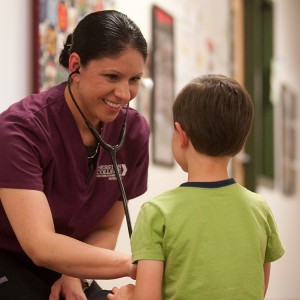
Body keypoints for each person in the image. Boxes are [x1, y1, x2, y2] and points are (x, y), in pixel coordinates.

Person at [0, 10, 149, 300]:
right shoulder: (20, 130)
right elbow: (39, 245)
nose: (123, 93)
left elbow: (107, 227)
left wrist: (75, 274)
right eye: (111, 76)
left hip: (71, 263)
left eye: (134, 79)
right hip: (10, 258)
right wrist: (136, 266)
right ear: (76, 65)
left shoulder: (133, 133)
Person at [107, 75, 285, 300]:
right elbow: (258, 290)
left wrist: (129, 297)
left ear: (181, 135)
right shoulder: (259, 209)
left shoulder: (157, 212)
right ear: (241, 141)